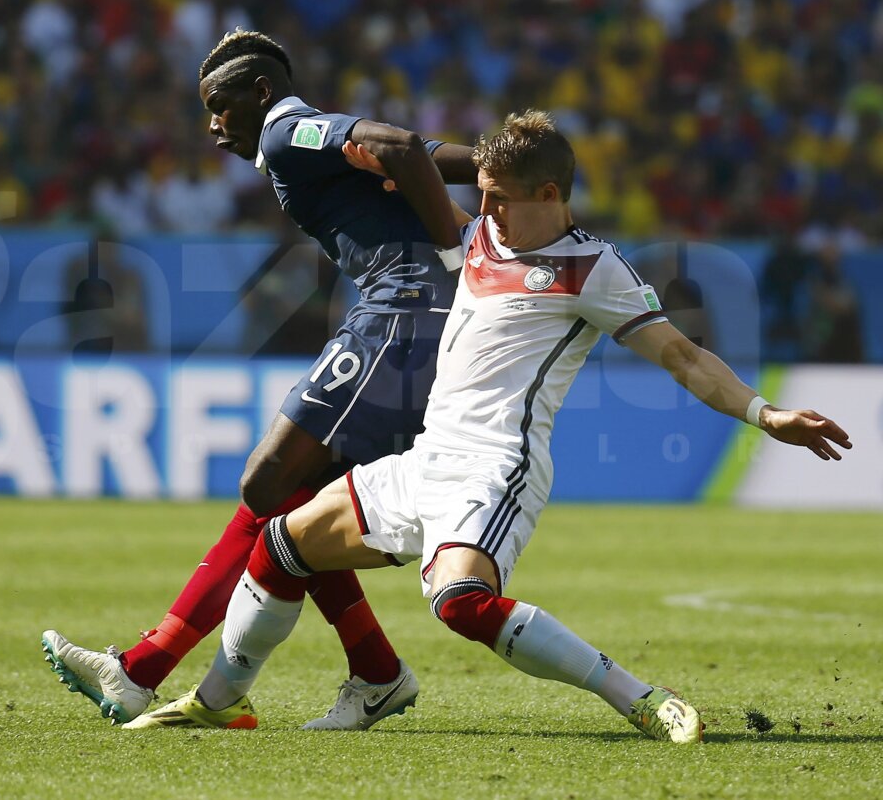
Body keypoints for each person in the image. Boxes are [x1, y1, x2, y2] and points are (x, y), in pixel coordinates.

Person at [124, 111, 852, 740]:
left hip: (496, 467)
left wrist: (765, 413)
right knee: (283, 545)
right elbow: (400, 162)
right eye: (482, 196)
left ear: (551, 195)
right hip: (424, 459)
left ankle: (642, 699)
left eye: (502, 200)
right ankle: (216, 701)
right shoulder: (474, 240)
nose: (488, 212)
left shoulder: (593, 270)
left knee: (460, 604)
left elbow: (685, 357)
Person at [41, 29, 478, 729]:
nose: (214, 128)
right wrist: (492, 164)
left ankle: (143, 670)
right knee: (293, 503)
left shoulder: (283, 132)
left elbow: (399, 146)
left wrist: (455, 259)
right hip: (416, 322)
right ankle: (373, 672)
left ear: (261, 93)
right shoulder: (314, 144)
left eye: (220, 106)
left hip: (402, 316)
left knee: (265, 482)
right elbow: (412, 156)